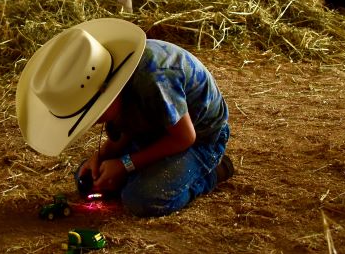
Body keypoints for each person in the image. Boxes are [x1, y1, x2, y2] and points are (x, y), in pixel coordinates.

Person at [16, 18, 232, 217]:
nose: (94, 122)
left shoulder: (153, 77)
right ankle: (141, 172)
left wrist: (125, 165)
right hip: (155, 129)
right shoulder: (102, 74)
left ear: (107, 92)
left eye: (93, 114)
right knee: (85, 180)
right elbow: (127, 124)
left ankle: (213, 172)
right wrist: (101, 157)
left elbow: (185, 137)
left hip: (200, 137)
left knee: (141, 199)